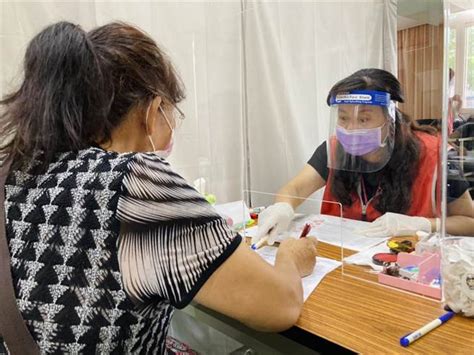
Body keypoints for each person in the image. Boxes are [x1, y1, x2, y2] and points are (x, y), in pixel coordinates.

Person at [0, 22, 318, 354]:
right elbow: (279, 306)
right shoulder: (134, 182)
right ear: (152, 112)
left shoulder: (14, 172)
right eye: (173, 111)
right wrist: (291, 257)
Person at [253, 68, 473, 246]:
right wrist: (283, 207)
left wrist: (424, 224)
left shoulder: (435, 155)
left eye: (364, 119)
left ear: (390, 119)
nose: (351, 129)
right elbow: (294, 190)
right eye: (343, 118)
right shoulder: (333, 149)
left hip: (406, 265)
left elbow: (469, 222)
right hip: (342, 261)